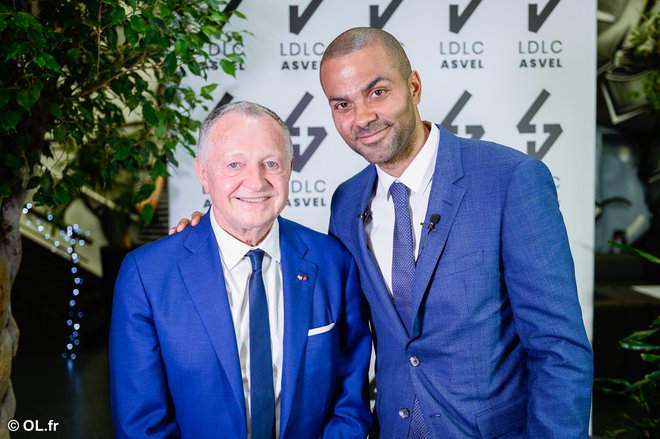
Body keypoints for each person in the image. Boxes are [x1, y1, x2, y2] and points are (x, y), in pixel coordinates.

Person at [174, 28, 594, 438]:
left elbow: (559, 350)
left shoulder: (510, 180)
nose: (362, 117)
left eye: (377, 92)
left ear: (413, 86)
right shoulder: (346, 203)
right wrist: (211, 234)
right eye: (342, 104)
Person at [110, 101, 372, 438]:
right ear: (203, 173)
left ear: (290, 169)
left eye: (271, 163)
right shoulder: (147, 275)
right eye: (235, 164)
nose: (256, 180)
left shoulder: (334, 263)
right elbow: (141, 425)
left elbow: (350, 404)